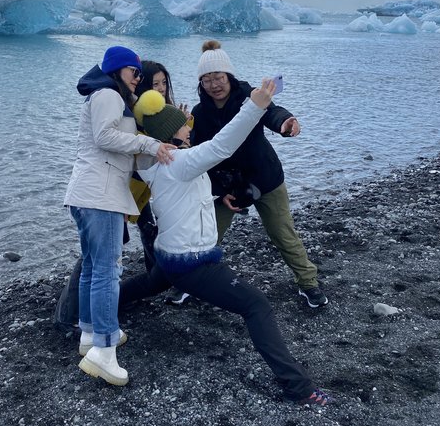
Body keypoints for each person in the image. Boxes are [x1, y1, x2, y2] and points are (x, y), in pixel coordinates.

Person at [119, 82, 329, 405]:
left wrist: (220, 192)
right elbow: (221, 146)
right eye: (184, 131)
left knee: (150, 283)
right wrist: (255, 106)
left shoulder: (153, 164)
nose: (190, 133)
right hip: (194, 263)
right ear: (169, 139)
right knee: (256, 305)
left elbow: (189, 188)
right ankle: (298, 388)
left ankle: (96, 307)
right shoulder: (180, 163)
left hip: (170, 257)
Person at [64, 45, 175, 387]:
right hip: (101, 197)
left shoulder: (110, 97)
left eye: (140, 75)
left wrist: (159, 147)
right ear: (117, 70)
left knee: (94, 269)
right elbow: (105, 137)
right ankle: (105, 350)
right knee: (107, 272)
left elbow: (125, 153)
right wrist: (148, 144)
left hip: (89, 194)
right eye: (135, 73)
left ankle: (89, 335)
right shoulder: (108, 94)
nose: (138, 80)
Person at [190, 40, 328, 309]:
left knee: (282, 233)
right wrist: (219, 190)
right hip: (228, 185)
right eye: (206, 80)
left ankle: (308, 283)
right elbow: (199, 156)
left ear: (228, 76)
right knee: (206, 235)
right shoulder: (200, 113)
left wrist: (286, 122)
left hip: (265, 178)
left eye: (218, 77)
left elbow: (271, 112)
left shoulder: (249, 97)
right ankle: (191, 282)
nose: (213, 85)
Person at [133, 60, 191, 305]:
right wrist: (178, 135)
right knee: (146, 228)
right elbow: (153, 158)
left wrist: (185, 125)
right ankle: (157, 277)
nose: (161, 89)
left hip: (158, 185)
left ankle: (159, 277)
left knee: (157, 229)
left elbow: (181, 148)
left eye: (164, 83)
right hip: (137, 185)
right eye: (154, 84)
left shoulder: (164, 111)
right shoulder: (136, 117)